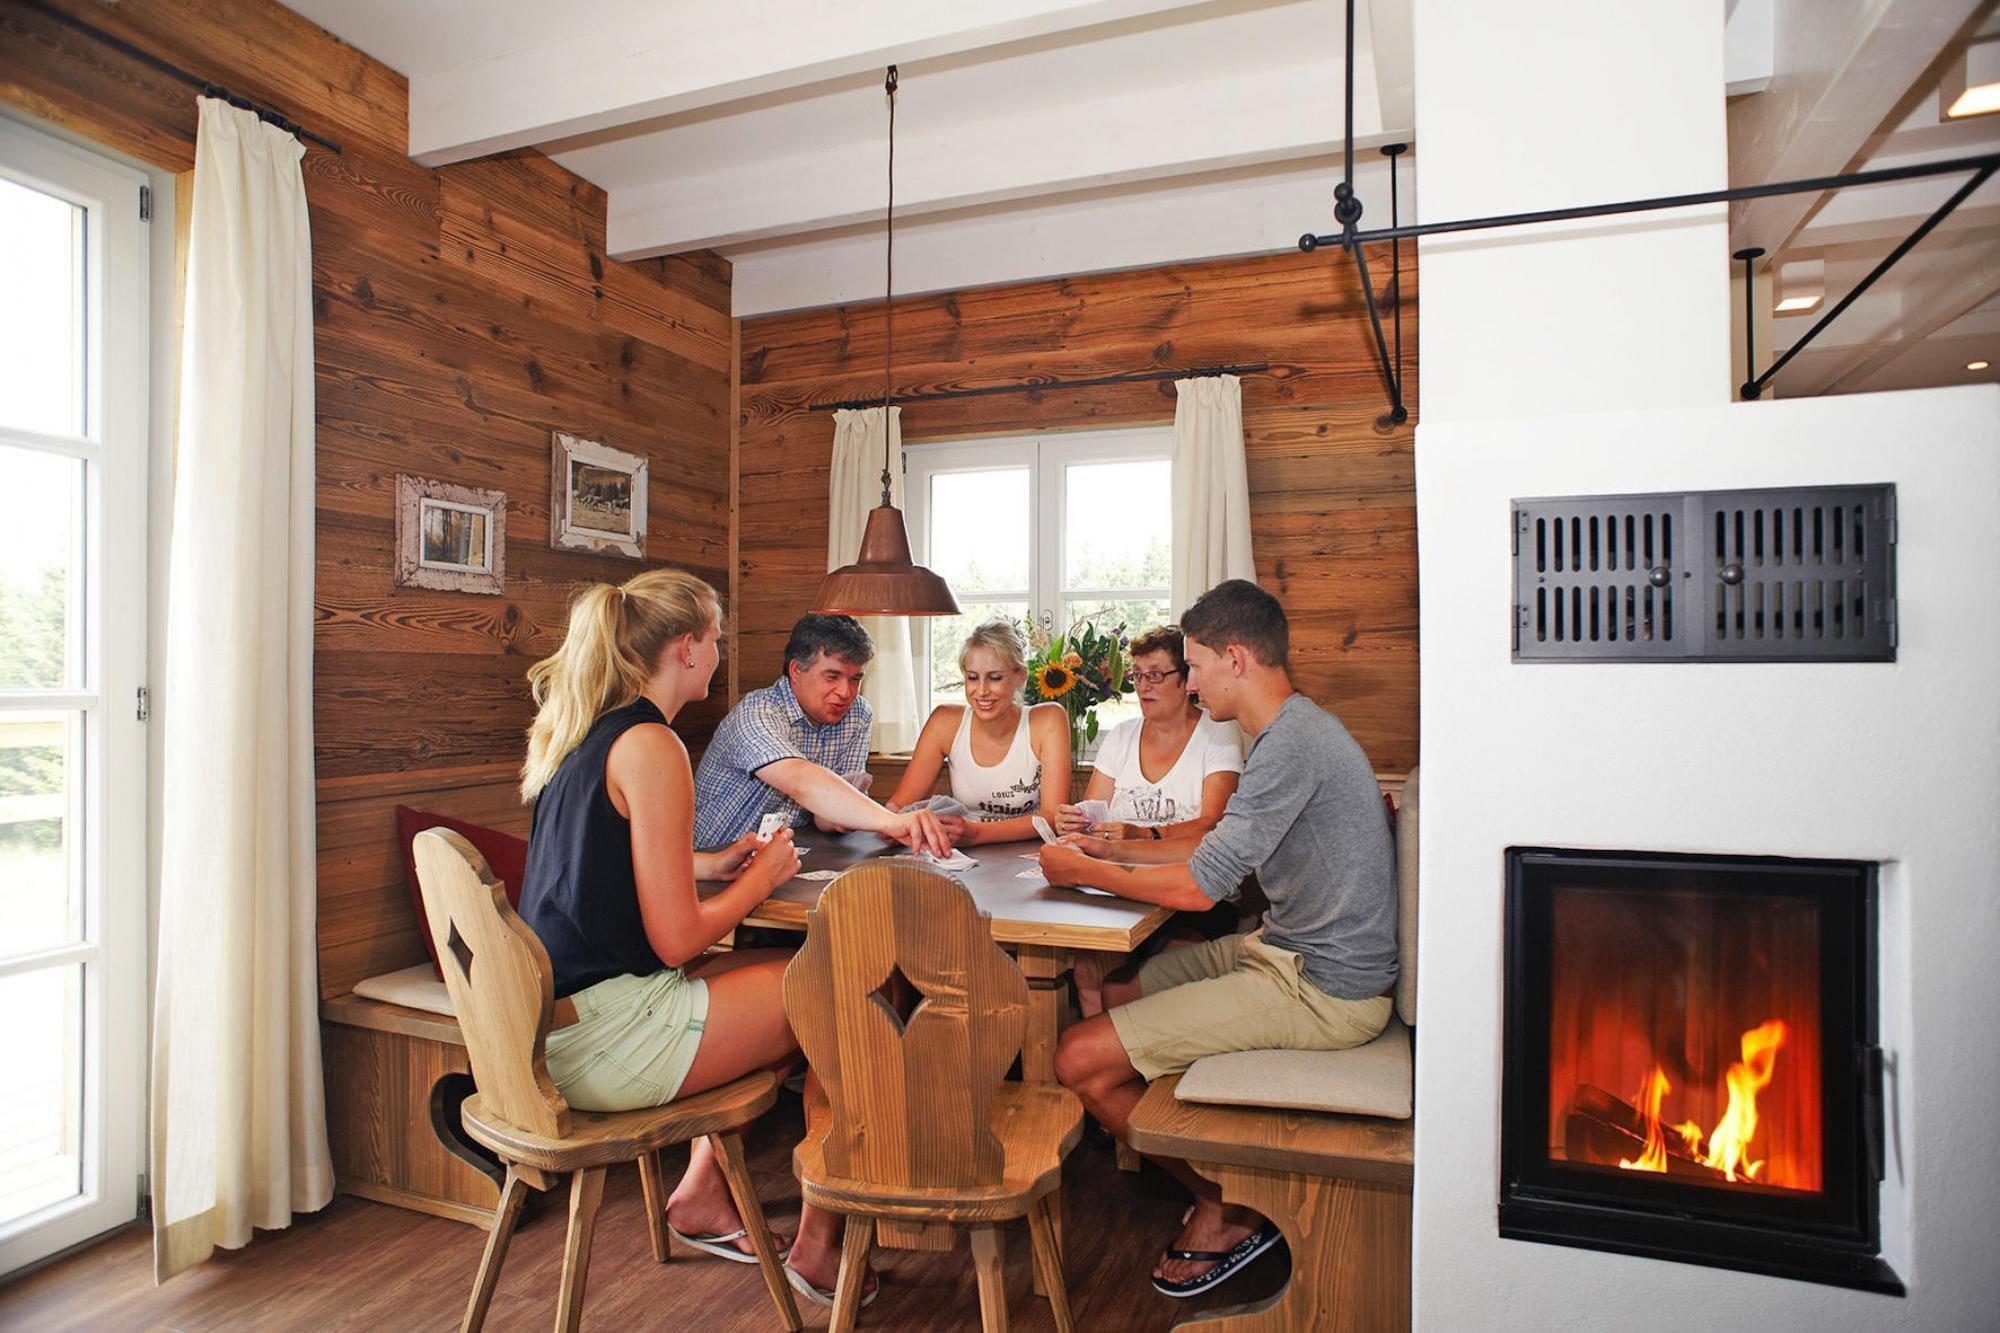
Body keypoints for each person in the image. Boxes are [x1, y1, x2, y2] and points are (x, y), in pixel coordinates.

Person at [514, 570, 870, 1304]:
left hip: (557, 1025)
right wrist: (761, 877)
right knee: (843, 991)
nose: (719, 651)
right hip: (611, 1039)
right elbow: (678, 941)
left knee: (797, 977)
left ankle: (703, 1194)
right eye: (716, 638)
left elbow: (603, 864)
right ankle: (818, 1244)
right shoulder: (653, 744)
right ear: (686, 647)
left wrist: (712, 864)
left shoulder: (587, 729)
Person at [1043, 579, 1397, 1300]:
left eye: (1197, 665)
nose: (1193, 682)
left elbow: (1200, 890)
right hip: (1284, 948)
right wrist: (1111, 851)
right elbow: (1213, 851)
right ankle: (1209, 1150)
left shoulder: (1290, 745)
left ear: (1235, 658)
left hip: (1325, 987)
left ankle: (1227, 1203)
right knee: (1117, 989)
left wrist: (1085, 870)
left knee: (1077, 1057)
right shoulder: (1290, 732)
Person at [1051, 624, 1244, 1015]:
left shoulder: (1219, 734)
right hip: (1120, 886)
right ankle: (1097, 1042)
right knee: (1087, 965)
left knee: (1160, 967)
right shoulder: (1121, 736)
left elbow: (1212, 823)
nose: (1143, 686)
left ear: (1186, 680)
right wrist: (1075, 820)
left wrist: (1144, 833)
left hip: (1194, 894)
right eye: (1137, 675)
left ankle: (1129, 1045)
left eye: (1155, 675)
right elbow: (1094, 810)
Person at [692, 613, 952, 857]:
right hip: (709, 861)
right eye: (832, 676)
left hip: (781, 858)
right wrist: (891, 821)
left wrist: (845, 816)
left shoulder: (857, 714)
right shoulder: (757, 712)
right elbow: (800, 780)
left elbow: (826, 819)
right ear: (796, 671)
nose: (845, 692)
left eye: (855, 679)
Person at [884, 618, 1071, 845]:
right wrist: (884, 821)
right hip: (962, 852)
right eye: (972, 678)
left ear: (1020, 676)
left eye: (995, 678)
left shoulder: (1049, 720)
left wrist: (976, 834)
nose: (981, 691)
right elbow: (898, 806)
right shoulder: (943, 722)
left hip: (1030, 852)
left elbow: (1051, 817)